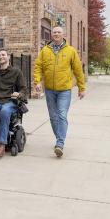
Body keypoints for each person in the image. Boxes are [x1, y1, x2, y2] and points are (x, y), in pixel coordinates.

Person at [33, 26, 85, 157]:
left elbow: (78, 70)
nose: (56, 34)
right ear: (52, 35)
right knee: (53, 117)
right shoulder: (45, 50)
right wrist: (37, 81)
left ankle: (60, 143)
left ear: (63, 34)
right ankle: (59, 139)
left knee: (62, 115)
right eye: (54, 32)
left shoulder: (71, 51)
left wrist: (81, 87)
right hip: (49, 90)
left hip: (64, 90)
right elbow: (38, 66)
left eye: (58, 32)